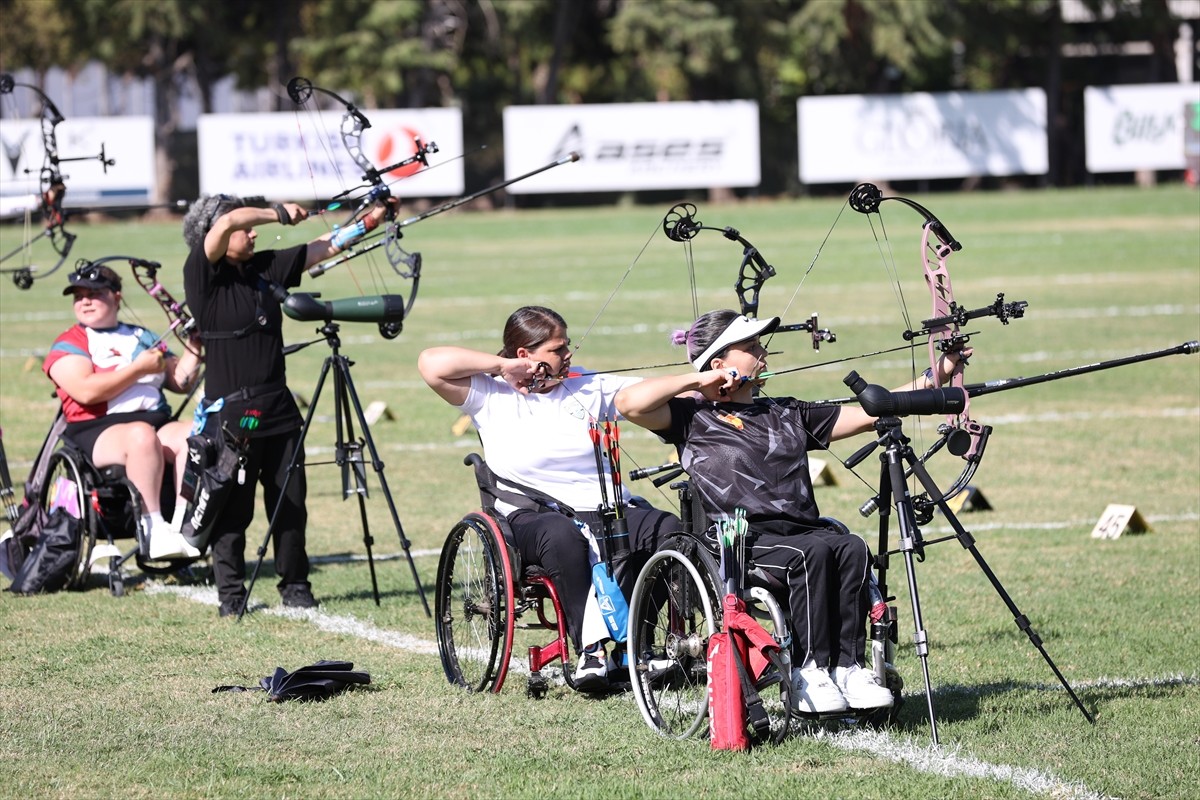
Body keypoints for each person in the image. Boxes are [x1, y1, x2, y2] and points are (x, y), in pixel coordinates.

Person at [615, 308, 970, 713]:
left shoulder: (787, 413)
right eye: (750, 347)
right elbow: (629, 402)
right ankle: (808, 672)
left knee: (850, 547)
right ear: (719, 363)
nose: (762, 352)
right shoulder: (690, 418)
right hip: (738, 541)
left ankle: (846, 669)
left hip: (798, 531)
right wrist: (699, 381)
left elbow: (874, 411)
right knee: (812, 554)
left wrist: (941, 370)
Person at [417, 306, 682, 690]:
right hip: (533, 516)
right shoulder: (488, 394)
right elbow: (431, 363)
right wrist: (501, 366)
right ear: (525, 355)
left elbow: (641, 392)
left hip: (607, 507)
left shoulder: (584, 382)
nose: (568, 355)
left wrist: (698, 380)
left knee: (668, 528)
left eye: (567, 346)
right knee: (561, 536)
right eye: (558, 349)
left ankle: (634, 644)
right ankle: (589, 649)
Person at [181, 193, 394, 617]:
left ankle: (295, 585)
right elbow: (224, 225)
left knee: (291, 502)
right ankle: (231, 596)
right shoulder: (203, 275)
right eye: (247, 227)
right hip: (231, 417)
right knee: (233, 509)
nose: (254, 232)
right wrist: (278, 212)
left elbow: (325, 247)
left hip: (278, 408)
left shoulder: (263, 268)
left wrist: (372, 219)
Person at [44, 265, 203, 561]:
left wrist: (194, 346)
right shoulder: (70, 342)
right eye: (78, 296)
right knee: (140, 437)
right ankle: (153, 528)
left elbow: (179, 381)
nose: (85, 301)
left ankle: (184, 523)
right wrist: (137, 369)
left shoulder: (142, 336)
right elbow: (87, 392)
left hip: (155, 422)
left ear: (117, 298)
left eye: (94, 294)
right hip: (97, 430)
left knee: (194, 433)